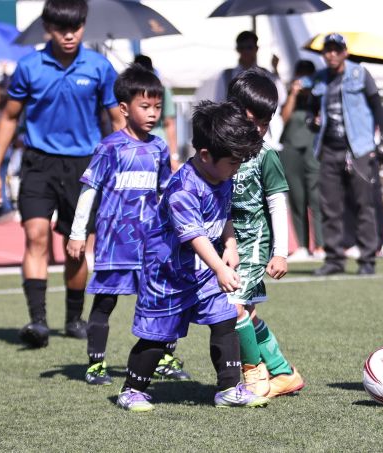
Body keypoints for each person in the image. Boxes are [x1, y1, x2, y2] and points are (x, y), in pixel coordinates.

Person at [0, 0, 124, 347]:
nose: (69, 35)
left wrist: (122, 165)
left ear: (83, 25)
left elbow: (117, 120)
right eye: (61, 29)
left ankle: (74, 318)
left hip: (84, 167)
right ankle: (38, 322)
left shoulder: (99, 67)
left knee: (76, 247)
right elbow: (9, 118)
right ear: (48, 28)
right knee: (35, 237)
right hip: (38, 164)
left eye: (76, 27)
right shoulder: (29, 67)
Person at [116, 100, 267, 412]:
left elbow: (223, 213)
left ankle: (229, 388)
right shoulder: (183, 189)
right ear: (205, 155)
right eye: (233, 162)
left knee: (225, 317)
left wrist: (230, 243)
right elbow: (194, 235)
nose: (236, 169)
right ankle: (131, 389)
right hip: (167, 274)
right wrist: (220, 268)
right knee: (157, 336)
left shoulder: (222, 176)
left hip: (203, 269)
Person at [64, 64, 176, 385]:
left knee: (160, 302)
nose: (153, 113)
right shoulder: (110, 147)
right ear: (124, 109)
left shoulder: (159, 147)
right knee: (105, 302)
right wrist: (77, 233)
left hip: (151, 244)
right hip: (115, 243)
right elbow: (89, 191)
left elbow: (166, 192)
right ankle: (95, 364)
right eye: (145, 106)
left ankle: (164, 358)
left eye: (157, 106)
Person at [225, 69, 306, 398]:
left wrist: (280, 252)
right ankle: (284, 373)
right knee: (247, 312)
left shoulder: (266, 155)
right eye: (252, 120)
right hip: (227, 245)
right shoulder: (222, 151)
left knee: (234, 308)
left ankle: (254, 374)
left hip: (254, 244)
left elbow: (277, 205)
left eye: (265, 122)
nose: (259, 129)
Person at [310, 33, 383, 276]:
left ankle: (367, 259)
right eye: (328, 50)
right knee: (329, 206)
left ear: (345, 52)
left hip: (359, 148)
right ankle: (334, 259)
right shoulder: (319, 78)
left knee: (364, 204)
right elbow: (311, 112)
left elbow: (377, 107)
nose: (332, 54)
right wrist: (311, 121)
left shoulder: (360, 73)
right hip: (329, 149)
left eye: (337, 49)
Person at [280, 60, 324, 261]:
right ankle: (302, 246)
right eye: (301, 75)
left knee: (316, 198)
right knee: (297, 199)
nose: (304, 80)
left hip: (313, 151)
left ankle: (321, 245)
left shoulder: (319, 96)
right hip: (291, 150)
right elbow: (283, 118)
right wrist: (293, 93)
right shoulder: (291, 96)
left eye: (308, 75)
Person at [133, 54, 179, 172]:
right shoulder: (128, 92)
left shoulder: (162, 91)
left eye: (157, 106)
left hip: (158, 148)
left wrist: (173, 156)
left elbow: (169, 124)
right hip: (134, 148)